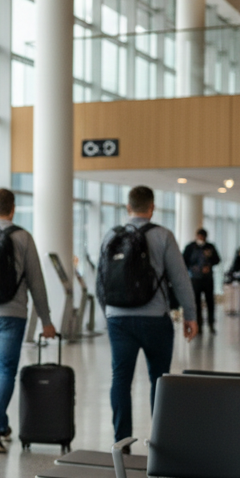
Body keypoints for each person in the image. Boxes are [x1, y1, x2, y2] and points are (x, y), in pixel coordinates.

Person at [99, 186, 197, 442]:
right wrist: (191, 315)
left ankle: (122, 440)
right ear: (152, 207)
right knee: (159, 379)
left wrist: (108, 314)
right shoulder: (163, 235)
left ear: (127, 207)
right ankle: (159, 440)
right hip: (155, 319)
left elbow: (100, 281)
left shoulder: (111, 235)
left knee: (120, 378)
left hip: (118, 319)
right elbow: (180, 279)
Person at [0, 188, 57, 453]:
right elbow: (36, 282)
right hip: (12, 314)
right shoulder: (23, 236)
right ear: (13, 209)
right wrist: (46, 320)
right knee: (6, 370)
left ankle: (0, 425)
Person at [182, 228, 221, 334]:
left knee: (210, 302)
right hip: (195, 279)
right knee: (196, 302)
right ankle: (198, 325)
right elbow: (184, 260)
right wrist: (193, 268)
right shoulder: (190, 247)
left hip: (207, 279)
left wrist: (209, 265)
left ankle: (211, 324)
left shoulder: (210, 247)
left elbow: (217, 259)